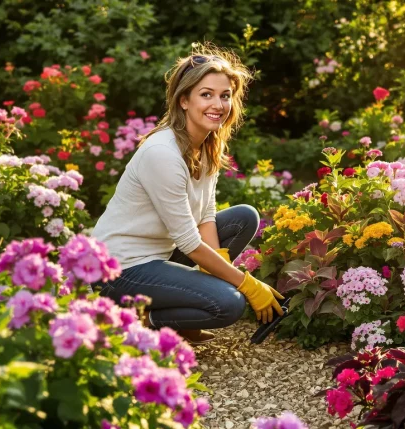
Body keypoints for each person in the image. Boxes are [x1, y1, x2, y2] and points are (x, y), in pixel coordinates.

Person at [92, 45, 283, 345]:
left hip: (160, 252)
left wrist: (216, 267)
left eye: (225, 95)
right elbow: (189, 242)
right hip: (119, 268)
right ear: (184, 100)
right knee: (230, 303)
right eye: (206, 94)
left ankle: (180, 307)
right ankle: (140, 319)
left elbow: (205, 214)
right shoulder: (162, 153)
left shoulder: (206, 144)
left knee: (244, 217)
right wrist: (246, 283)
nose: (218, 104)